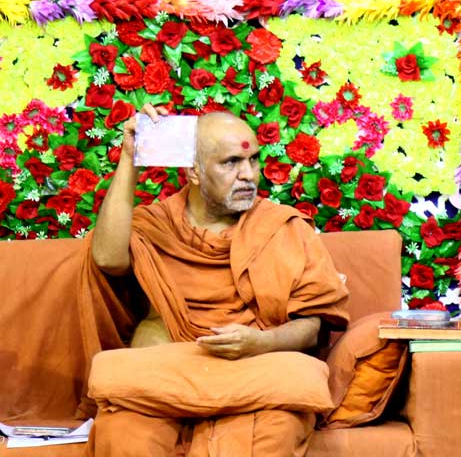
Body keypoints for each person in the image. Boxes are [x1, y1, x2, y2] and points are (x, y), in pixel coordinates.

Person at [85, 107, 350, 456]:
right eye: (231, 162)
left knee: (276, 427)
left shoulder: (283, 227)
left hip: (252, 377)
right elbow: (108, 259)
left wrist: (262, 342)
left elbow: (312, 326)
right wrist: (130, 159)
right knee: (121, 433)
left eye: (253, 160)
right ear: (193, 171)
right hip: (162, 383)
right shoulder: (157, 224)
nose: (248, 175)